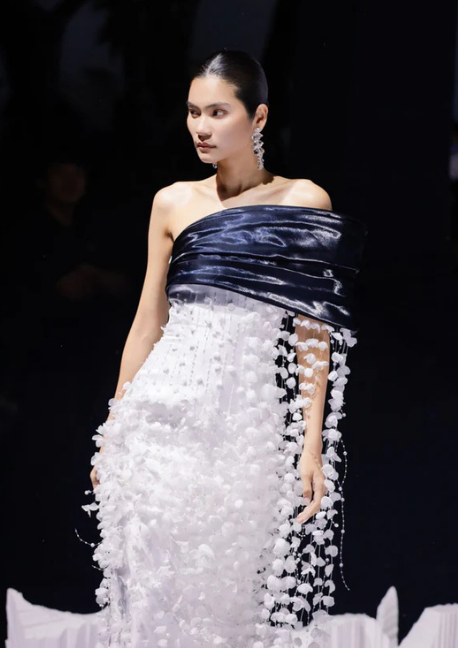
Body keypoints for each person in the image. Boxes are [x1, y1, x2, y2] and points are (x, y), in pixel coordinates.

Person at [85, 50, 367, 647]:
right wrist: (113, 427)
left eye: (218, 112)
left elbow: (312, 334)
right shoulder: (172, 201)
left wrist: (310, 443)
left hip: (244, 426)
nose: (201, 127)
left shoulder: (303, 201)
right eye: (193, 112)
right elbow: (148, 321)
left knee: (227, 598)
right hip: (158, 421)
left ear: (258, 117)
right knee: (152, 597)